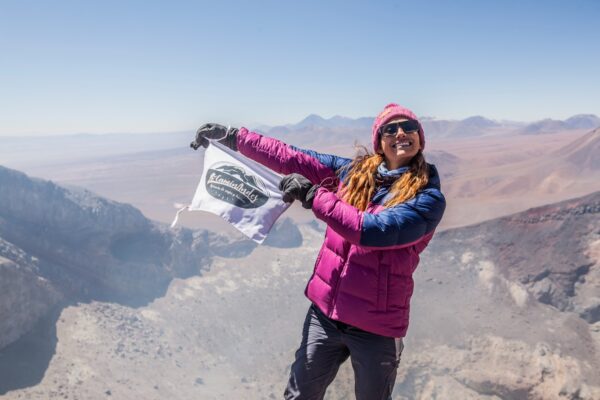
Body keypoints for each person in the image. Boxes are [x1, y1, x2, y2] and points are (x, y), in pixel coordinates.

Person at [191, 103, 446, 400]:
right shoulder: (351, 173)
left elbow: (374, 231)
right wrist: (233, 137)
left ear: (420, 137)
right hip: (325, 315)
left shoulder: (427, 198)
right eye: (391, 128)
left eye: (409, 127)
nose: (401, 133)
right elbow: (291, 157)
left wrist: (314, 197)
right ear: (379, 140)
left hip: (377, 327)